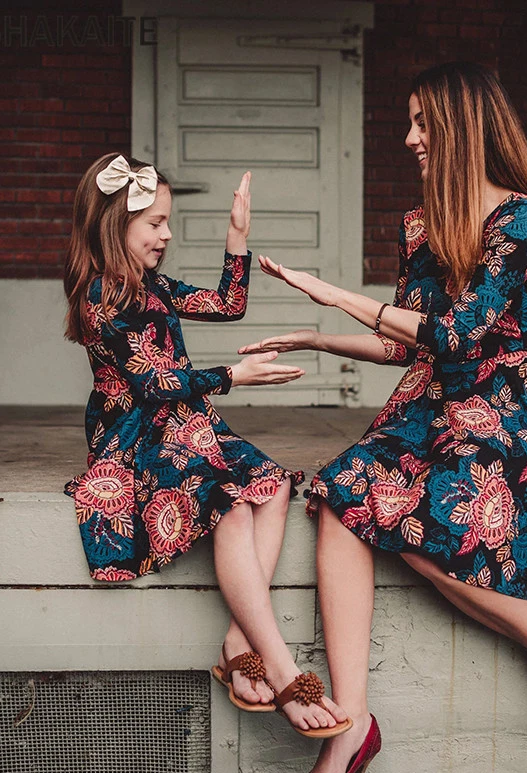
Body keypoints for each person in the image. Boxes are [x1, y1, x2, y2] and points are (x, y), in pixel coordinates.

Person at [240, 63, 527, 773]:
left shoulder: (520, 219)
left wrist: (338, 294)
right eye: (409, 123)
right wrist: (316, 337)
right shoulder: (421, 224)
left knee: (411, 515)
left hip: (501, 407)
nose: (409, 138)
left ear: (463, 128)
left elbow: (463, 334)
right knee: (344, 498)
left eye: (422, 123)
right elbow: (403, 346)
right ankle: (348, 728)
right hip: (427, 404)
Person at [63, 153, 352, 738]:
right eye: (155, 224)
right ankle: (280, 664)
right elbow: (151, 384)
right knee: (228, 499)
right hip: (135, 434)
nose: (167, 234)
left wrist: (237, 238)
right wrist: (233, 377)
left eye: (167, 222)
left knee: (269, 486)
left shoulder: (152, 284)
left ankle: (237, 641)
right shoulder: (100, 295)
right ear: (115, 224)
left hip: (184, 423)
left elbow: (226, 305)